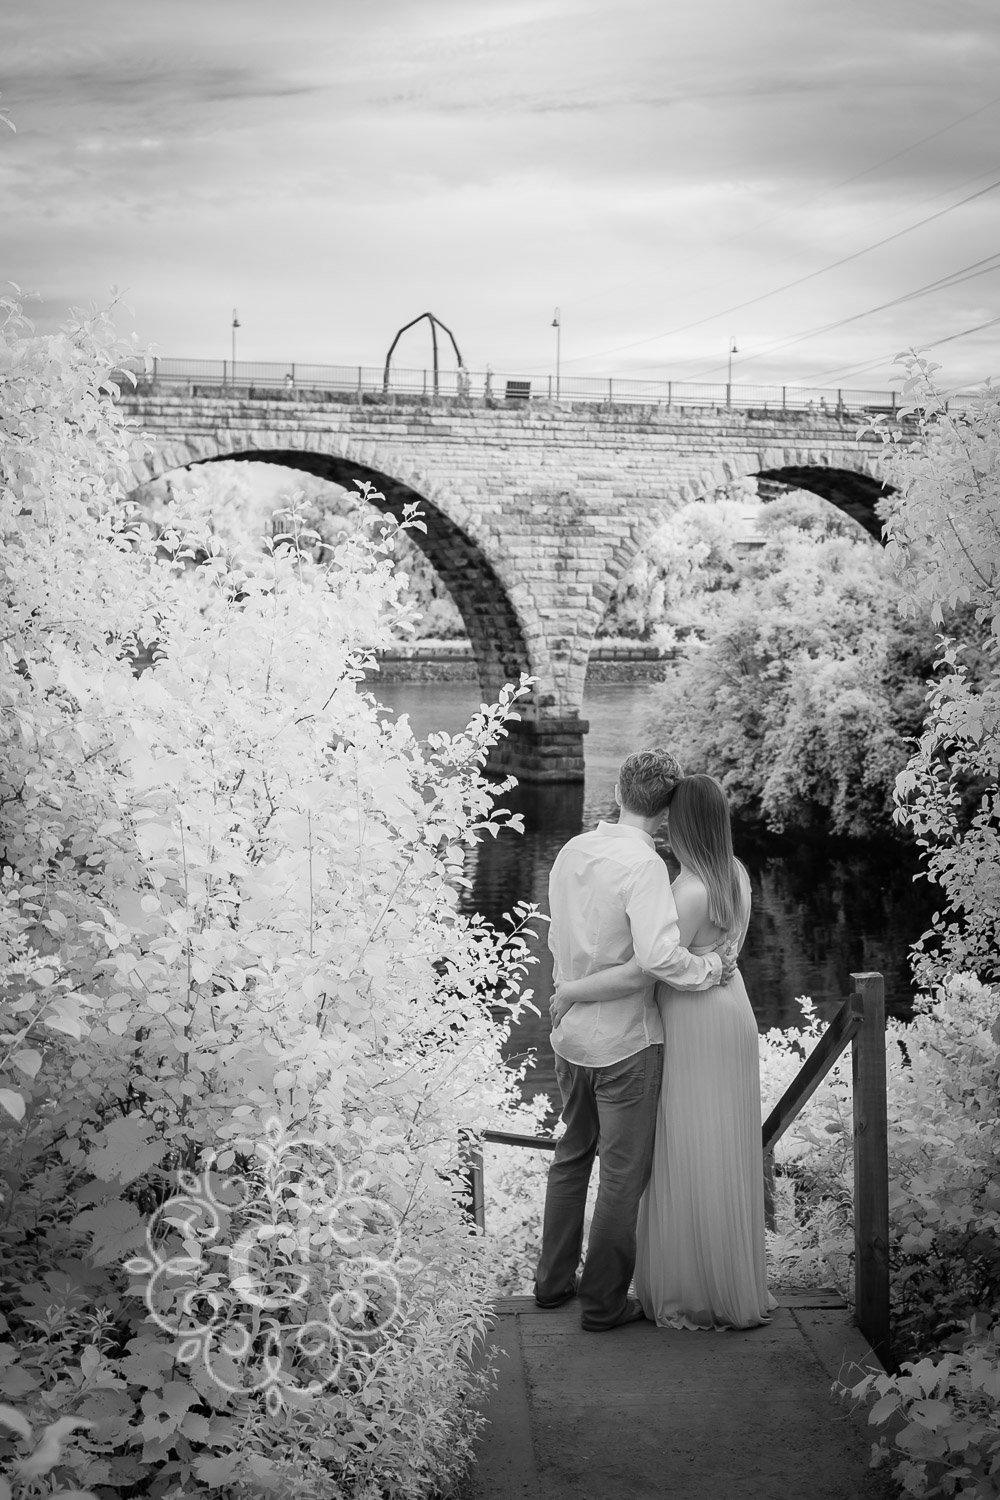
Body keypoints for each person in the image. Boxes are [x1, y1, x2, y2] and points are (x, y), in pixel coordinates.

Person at [551, 774, 774, 1331]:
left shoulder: (673, 884)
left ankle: (585, 1286)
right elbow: (709, 956)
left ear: (680, 821)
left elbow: (652, 964)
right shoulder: (737, 876)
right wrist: (714, 966)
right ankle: (725, 1279)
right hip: (732, 1014)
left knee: (664, 1152)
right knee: (719, 1145)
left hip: (684, 1020)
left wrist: (571, 990)